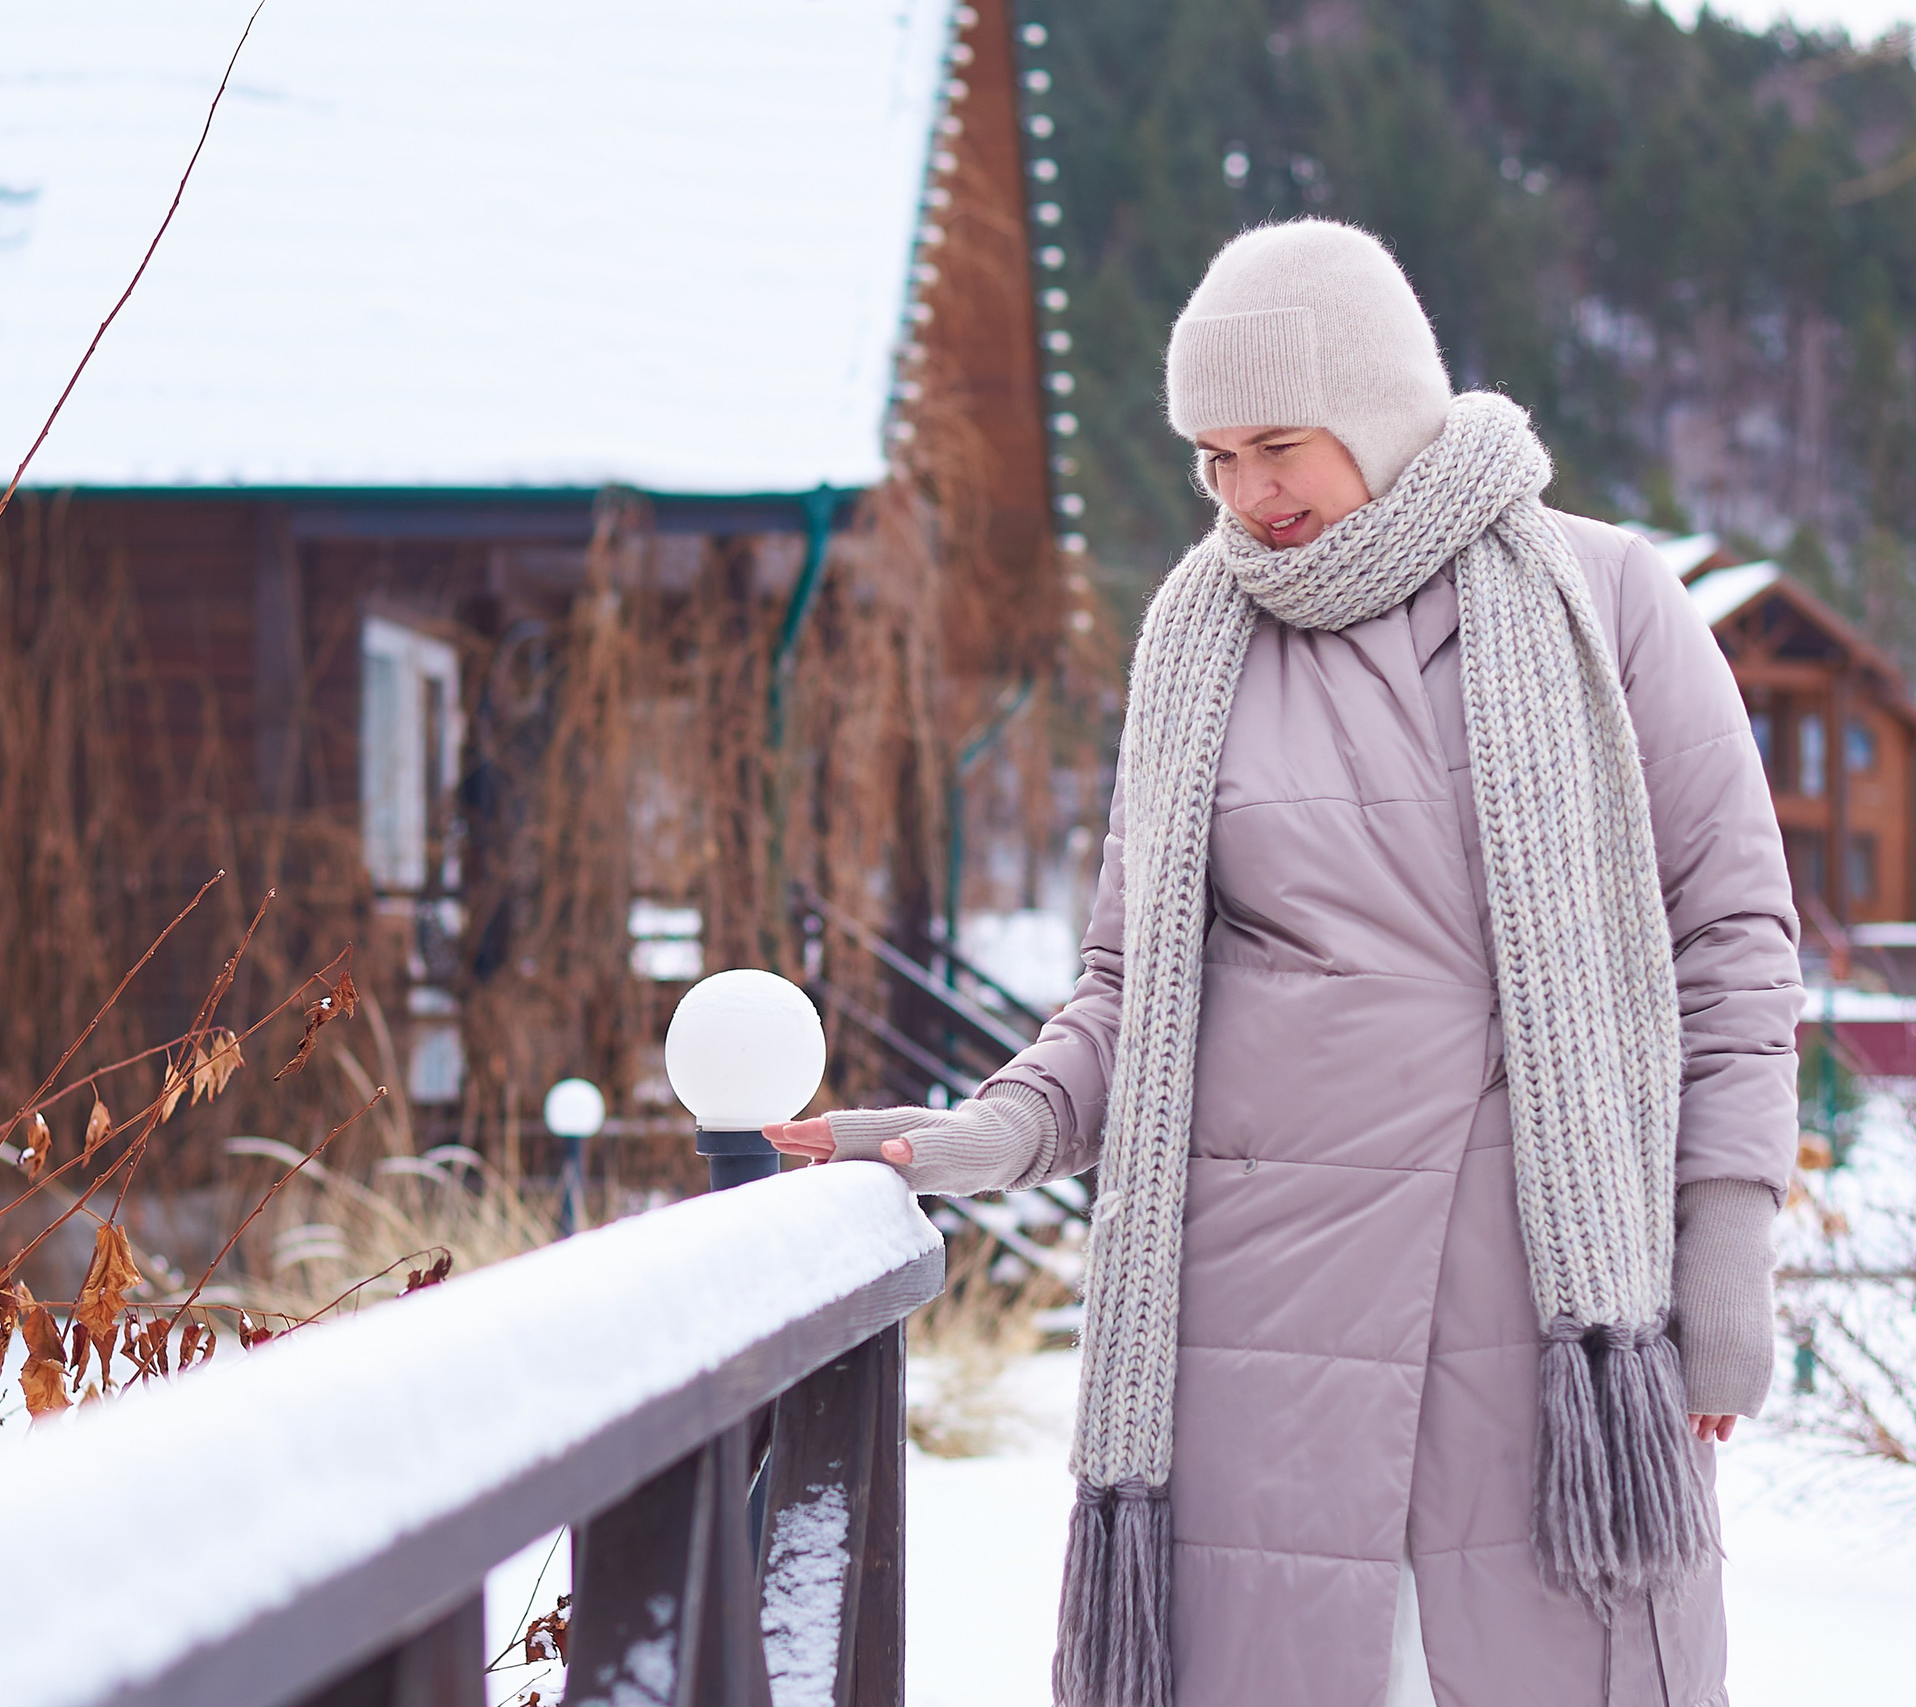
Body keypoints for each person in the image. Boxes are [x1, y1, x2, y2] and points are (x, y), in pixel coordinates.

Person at [768, 219, 1797, 1707]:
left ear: (1376, 409)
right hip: (1263, 1335)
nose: (1247, 496)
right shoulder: (1199, 643)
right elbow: (1133, 993)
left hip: (1543, 1318)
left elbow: (1732, 942)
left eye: (1278, 446)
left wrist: (1724, 1243)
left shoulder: (1607, 599)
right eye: (1212, 459)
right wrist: (987, 1132)